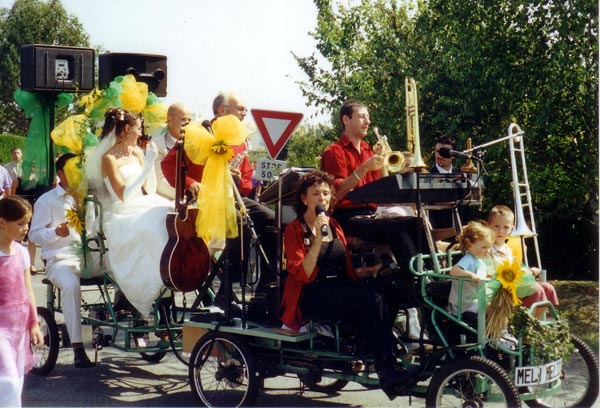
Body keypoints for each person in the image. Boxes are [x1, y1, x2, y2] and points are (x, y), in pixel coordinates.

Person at [281, 170, 417, 399]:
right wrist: (316, 241)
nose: (322, 198)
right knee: (370, 300)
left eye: (326, 193)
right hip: (311, 294)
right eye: (316, 194)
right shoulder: (294, 229)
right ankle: (387, 371)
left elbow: (344, 266)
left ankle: (377, 351)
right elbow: (303, 273)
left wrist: (370, 272)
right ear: (304, 198)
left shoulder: (334, 224)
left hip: (339, 287)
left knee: (390, 291)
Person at [161, 92, 276, 293]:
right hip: (203, 202)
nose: (244, 113)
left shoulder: (239, 138)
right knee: (242, 226)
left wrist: (241, 179)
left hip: (233, 200)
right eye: (240, 108)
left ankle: (267, 284)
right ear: (222, 110)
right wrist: (191, 183)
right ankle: (228, 288)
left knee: (271, 219)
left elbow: (247, 177)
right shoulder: (198, 133)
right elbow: (169, 165)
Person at [319, 99, 423, 303]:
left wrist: (384, 163)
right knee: (396, 228)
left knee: (414, 223)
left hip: (370, 216)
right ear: (346, 119)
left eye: (368, 117)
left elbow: (383, 187)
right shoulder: (334, 151)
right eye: (362, 116)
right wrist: (364, 168)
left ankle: (424, 274)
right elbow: (337, 193)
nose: (367, 121)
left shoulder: (368, 150)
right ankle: (415, 282)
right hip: (347, 218)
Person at [87, 108, 171, 318]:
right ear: (126, 130)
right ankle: (152, 290)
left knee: (169, 215)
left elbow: (149, 189)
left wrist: (148, 164)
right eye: (138, 129)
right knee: (150, 228)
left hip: (141, 204)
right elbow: (121, 197)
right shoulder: (109, 158)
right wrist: (148, 164)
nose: (141, 133)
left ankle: (168, 281)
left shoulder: (136, 153)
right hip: (120, 211)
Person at [29, 153, 101, 368]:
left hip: (89, 256)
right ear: (60, 174)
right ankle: (78, 348)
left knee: (123, 265)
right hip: (59, 258)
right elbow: (33, 235)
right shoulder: (47, 200)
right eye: (73, 171)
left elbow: (93, 229)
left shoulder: (88, 198)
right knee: (70, 285)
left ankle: (127, 311)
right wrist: (55, 233)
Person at [0, 196, 43, 407]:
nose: (25, 228)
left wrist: (33, 323)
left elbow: (27, 289)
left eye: (27, 223)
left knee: (16, 382)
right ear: (2, 222)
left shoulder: (22, 253)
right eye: (20, 223)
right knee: (6, 381)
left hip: (18, 326)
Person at [486, 205, 558, 318]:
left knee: (548, 288)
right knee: (537, 290)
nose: (501, 231)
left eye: (505, 227)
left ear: (511, 229)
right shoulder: (486, 248)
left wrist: (528, 271)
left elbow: (516, 268)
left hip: (511, 285)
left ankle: (534, 322)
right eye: (496, 226)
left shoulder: (507, 249)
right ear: (488, 226)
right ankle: (525, 328)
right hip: (499, 288)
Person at [447, 221, 494, 325]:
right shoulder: (468, 258)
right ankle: (497, 335)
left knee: (498, 307)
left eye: (489, 246)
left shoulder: (479, 260)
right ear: (469, 246)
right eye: (484, 247)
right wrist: (470, 275)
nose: (487, 250)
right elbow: (453, 271)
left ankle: (498, 334)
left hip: (474, 300)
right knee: (493, 309)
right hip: (464, 305)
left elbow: (481, 275)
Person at [3, 147, 41, 274]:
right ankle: (17, 263)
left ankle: (31, 264)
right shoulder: (17, 180)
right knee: (17, 237)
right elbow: (12, 196)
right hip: (19, 210)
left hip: (31, 210)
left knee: (31, 239)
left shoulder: (36, 181)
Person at [151, 103, 191, 199]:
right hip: (168, 200)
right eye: (183, 119)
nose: (187, 123)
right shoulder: (158, 145)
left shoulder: (194, 144)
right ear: (170, 121)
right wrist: (186, 196)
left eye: (189, 120)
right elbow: (160, 183)